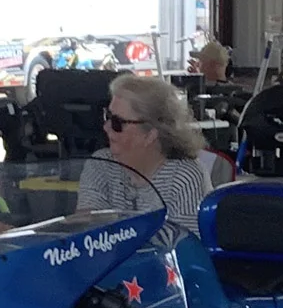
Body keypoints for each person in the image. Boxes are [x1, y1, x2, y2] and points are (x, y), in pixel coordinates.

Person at [77, 73, 211, 238]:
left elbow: (186, 245)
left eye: (117, 123)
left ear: (150, 134)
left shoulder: (185, 176)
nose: (106, 127)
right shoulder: (100, 165)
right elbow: (88, 232)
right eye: (108, 116)